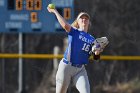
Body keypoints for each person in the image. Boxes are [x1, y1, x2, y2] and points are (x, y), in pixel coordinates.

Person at [47, 6, 101, 93]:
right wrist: (55, 11)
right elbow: (64, 25)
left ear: (89, 22)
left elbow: (96, 58)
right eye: (81, 18)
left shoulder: (92, 39)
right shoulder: (74, 31)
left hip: (80, 70)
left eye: (86, 18)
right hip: (66, 67)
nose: (84, 19)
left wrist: (97, 52)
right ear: (78, 21)